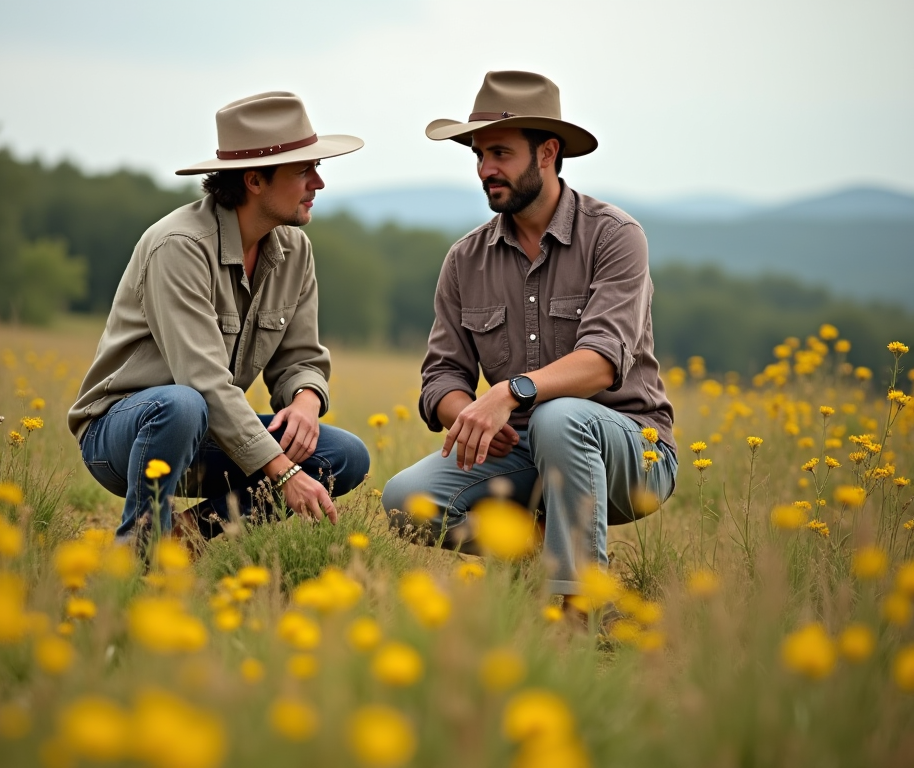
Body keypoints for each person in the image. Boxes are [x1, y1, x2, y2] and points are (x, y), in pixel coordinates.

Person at [382, 71, 677, 600]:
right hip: (518, 452)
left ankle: (576, 604)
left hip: (631, 451)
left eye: (500, 153)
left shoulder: (615, 236)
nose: (484, 170)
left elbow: (603, 361)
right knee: (406, 501)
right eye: (478, 155)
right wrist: (468, 417)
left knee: (557, 415)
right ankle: (546, 552)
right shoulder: (465, 259)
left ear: (547, 152)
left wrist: (510, 391)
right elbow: (442, 376)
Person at [69, 91, 370, 545]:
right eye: (304, 170)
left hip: (209, 431)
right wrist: (284, 472)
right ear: (254, 180)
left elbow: (299, 357)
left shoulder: (295, 249)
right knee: (182, 404)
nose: (318, 183)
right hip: (124, 434)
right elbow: (201, 380)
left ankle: (183, 541)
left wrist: (307, 399)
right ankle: (136, 548)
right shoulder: (179, 247)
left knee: (344, 455)